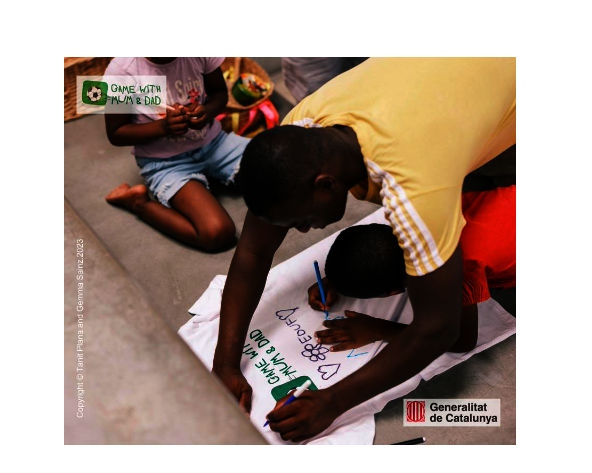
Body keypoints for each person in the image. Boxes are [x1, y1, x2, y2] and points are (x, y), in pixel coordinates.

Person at [212, 58, 516, 442]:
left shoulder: (417, 188)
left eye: (301, 219)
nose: (302, 229)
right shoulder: (303, 129)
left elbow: (440, 328)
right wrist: (225, 363)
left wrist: (332, 402)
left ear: (326, 184)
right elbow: (254, 252)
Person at [308, 185, 516, 355]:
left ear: (395, 292)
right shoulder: (414, 211)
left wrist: (377, 329)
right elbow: (373, 248)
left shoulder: (454, 272)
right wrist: (338, 276)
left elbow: (462, 341)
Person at [103, 57, 249, 252]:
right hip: (166, 163)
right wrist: (164, 127)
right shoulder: (122, 71)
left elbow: (219, 94)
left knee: (279, 169)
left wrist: (206, 111)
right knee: (217, 232)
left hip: (215, 144)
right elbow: (116, 133)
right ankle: (139, 204)